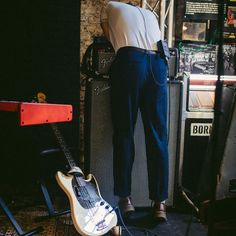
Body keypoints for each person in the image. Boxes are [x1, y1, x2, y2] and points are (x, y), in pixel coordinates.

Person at [100, 1, 169, 221]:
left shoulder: (109, 6)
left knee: (124, 132)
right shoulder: (150, 13)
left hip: (131, 61)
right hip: (159, 63)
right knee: (158, 135)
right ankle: (160, 204)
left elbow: (110, 41)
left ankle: (125, 199)